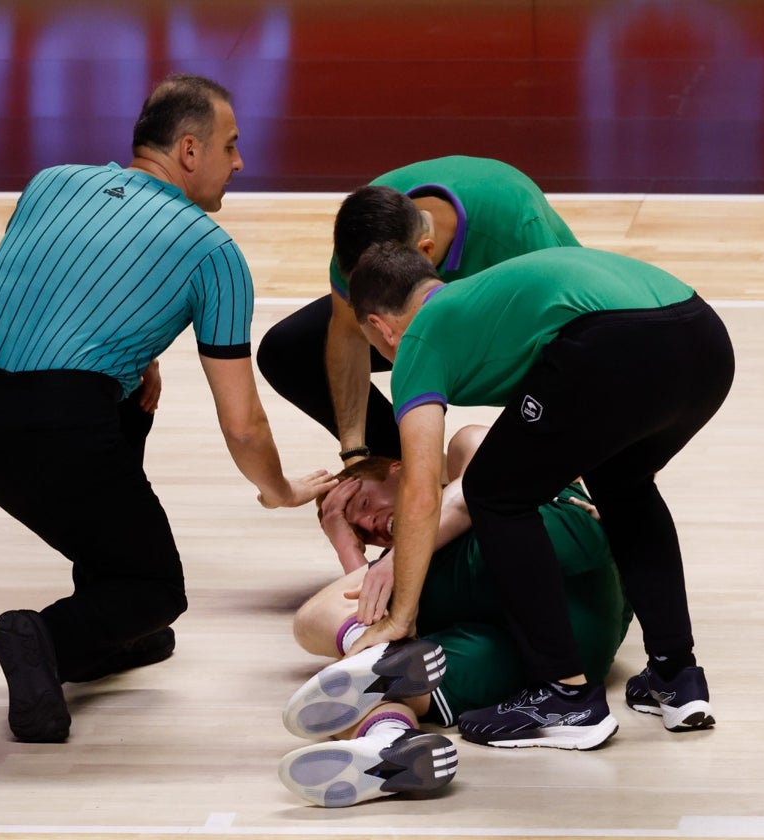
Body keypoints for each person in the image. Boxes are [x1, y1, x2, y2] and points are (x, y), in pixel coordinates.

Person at [0, 73, 336, 744]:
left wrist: (133, 353)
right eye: (231, 146)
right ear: (189, 150)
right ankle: (45, 637)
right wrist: (280, 490)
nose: (241, 163)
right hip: (49, 434)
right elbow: (241, 422)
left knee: (131, 397)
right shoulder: (214, 253)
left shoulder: (52, 180)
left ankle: (109, 622)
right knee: (156, 591)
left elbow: (35, 281)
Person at [343, 242, 734, 750]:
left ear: (381, 326)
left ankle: (565, 698)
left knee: (492, 491)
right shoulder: (485, 302)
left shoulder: (419, 337)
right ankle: (675, 675)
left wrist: (401, 613)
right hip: (704, 337)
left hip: (618, 341)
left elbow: (421, 490)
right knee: (623, 483)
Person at [277, 427, 631, 806]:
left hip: (543, 537)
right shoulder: (426, 579)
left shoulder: (464, 452)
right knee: (352, 699)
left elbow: (488, 464)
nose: (370, 525)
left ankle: (369, 656)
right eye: (360, 532)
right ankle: (389, 744)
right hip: (572, 656)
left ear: (400, 469)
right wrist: (349, 547)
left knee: (315, 619)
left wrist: (384, 556)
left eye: (363, 503)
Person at [256, 156, 579, 465]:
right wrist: (355, 451)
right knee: (287, 351)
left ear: (425, 251)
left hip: (525, 319)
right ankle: (401, 466)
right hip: (435, 311)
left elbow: (566, 345)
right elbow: (349, 335)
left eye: (376, 285)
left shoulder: (515, 227)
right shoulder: (362, 232)